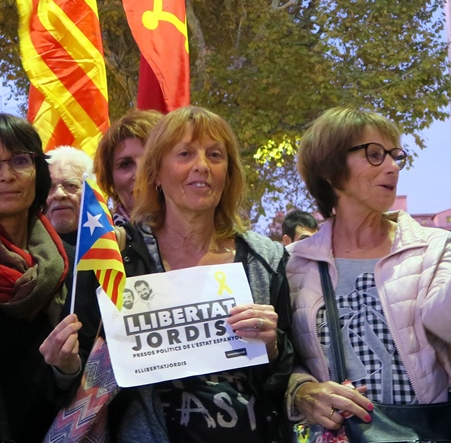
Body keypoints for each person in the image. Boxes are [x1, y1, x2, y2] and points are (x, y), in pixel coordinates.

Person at [285, 107, 451, 443]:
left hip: (429, 431)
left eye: (395, 156)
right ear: (331, 171)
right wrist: (303, 390)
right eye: (374, 155)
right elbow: (285, 360)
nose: (392, 167)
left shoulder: (434, 246)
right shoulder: (294, 264)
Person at [74, 106, 294, 442]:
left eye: (215, 155)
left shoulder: (266, 259)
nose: (202, 166)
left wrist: (274, 346)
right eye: (185, 154)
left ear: (229, 173)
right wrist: (63, 367)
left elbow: (289, 377)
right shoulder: (117, 256)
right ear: (157, 174)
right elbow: (80, 372)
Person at [0, 114, 81, 442]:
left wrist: (66, 370)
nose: (6, 175)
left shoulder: (75, 266)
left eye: (20, 160)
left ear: (38, 174)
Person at [93, 108, 162, 222]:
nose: (140, 174)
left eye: (149, 160)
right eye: (126, 164)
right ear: (111, 181)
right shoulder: (101, 239)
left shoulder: (200, 234)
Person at [46, 145, 93, 244]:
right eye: (49, 188)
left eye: (71, 185)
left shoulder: (114, 243)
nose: (59, 194)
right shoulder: (21, 249)